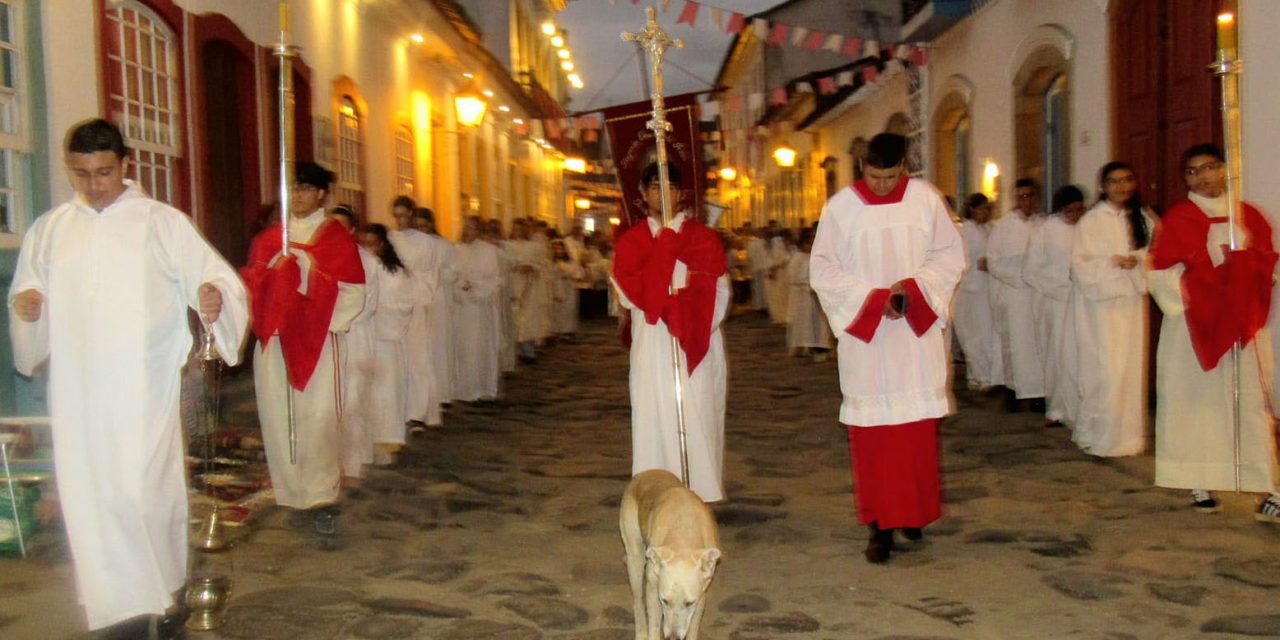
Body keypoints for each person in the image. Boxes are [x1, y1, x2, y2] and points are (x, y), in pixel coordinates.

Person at [8, 118, 249, 636]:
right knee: (89, 491)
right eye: (81, 174)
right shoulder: (51, 228)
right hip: (78, 388)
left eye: (104, 172)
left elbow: (217, 279)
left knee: (143, 490)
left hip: (144, 386)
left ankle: (161, 593)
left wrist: (212, 298)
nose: (94, 186)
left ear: (125, 164)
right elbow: (29, 294)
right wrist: (27, 309)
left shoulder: (162, 222)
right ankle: (112, 601)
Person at [809, 133, 964, 564]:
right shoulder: (841, 208)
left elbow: (951, 256)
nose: (881, 185)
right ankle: (879, 526)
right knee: (874, 437)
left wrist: (912, 292)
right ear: (862, 167)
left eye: (890, 176)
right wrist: (877, 299)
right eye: (875, 176)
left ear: (904, 169)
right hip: (869, 340)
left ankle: (912, 514)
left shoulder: (926, 199)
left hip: (914, 336)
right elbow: (822, 271)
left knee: (914, 433)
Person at [1148, 143, 1280, 521]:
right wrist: (1208, 279)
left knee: (1251, 404)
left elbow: (1268, 264)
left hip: (1241, 326)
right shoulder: (1180, 218)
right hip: (1193, 329)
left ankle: (1267, 487)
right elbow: (1161, 274)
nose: (1203, 177)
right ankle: (1198, 478)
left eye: (1209, 168)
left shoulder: (1248, 215)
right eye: (1193, 172)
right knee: (1195, 405)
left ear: (1224, 169)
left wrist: (1245, 267)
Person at [242, 162, 365, 536]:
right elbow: (251, 284)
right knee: (280, 413)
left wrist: (310, 273)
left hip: (317, 339)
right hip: (277, 339)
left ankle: (320, 493)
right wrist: (272, 276)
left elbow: (353, 290)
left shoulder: (334, 239)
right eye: (292, 189)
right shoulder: (270, 239)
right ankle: (290, 489)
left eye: (305, 190)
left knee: (318, 416)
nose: (297, 197)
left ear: (321, 195)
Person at [612, 161, 730, 503]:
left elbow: (719, 290)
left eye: (669, 187)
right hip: (654, 340)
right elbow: (630, 293)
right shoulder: (632, 242)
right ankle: (656, 492)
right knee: (654, 411)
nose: (661, 194)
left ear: (680, 193)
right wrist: (664, 249)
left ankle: (700, 492)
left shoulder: (702, 238)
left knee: (699, 409)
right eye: (653, 188)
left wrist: (686, 313)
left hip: (695, 336)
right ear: (642, 195)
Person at [1069, 161, 1154, 457]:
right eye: (1115, 181)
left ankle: (1128, 437)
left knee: (1130, 369)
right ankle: (1099, 435)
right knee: (1104, 370)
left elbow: (1154, 256)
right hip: (1100, 310)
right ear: (1103, 187)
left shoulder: (1142, 218)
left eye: (1127, 180)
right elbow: (1080, 266)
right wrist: (1111, 263)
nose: (1122, 186)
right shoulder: (1091, 221)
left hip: (1130, 302)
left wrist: (1138, 262)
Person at [1023, 186, 1086, 427]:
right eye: (1069, 210)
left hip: (1082, 300)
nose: (1074, 215)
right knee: (1058, 355)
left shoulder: (1086, 227)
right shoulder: (1046, 230)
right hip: (1055, 302)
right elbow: (1031, 270)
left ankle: (1081, 406)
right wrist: (1061, 287)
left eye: (1079, 210)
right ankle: (1058, 408)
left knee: (1079, 355)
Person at [328, 204, 377, 486]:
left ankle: (353, 465)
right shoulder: (321, 257)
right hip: (329, 339)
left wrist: (336, 320)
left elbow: (366, 305)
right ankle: (331, 462)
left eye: (340, 227)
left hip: (355, 335)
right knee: (332, 402)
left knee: (354, 401)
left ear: (352, 230)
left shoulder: (367, 261)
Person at [986, 178, 1045, 411]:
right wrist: (1018, 276)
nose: (1026, 201)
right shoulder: (1004, 226)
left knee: (1039, 342)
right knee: (1016, 343)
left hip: (1038, 293)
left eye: (1030, 196)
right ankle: (1014, 390)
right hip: (1015, 293)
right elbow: (993, 260)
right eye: (1021, 196)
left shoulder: (1043, 224)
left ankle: (1040, 392)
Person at [360, 223, 415, 463]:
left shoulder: (395, 273)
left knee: (387, 390)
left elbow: (404, 305)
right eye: (364, 244)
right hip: (364, 337)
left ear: (382, 245)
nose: (368, 250)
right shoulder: (359, 268)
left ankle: (387, 439)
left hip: (386, 340)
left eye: (372, 244)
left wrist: (378, 309)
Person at [386, 197, 441, 429]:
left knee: (417, 357)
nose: (400, 221)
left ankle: (418, 411)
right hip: (393, 305)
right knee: (396, 358)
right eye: (396, 216)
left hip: (416, 304)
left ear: (411, 214)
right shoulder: (389, 239)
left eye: (404, 215)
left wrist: (415, 287)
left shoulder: (426, 243)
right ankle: (398, 408)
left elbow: (432, 274)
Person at [952, 193, 1001, 390]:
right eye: (982, 208)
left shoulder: (990, 228)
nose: (986, 212)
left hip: (986, 287)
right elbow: (960, 260)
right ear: (973, 209)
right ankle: (982, 375)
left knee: (986, 331)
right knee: (974, 334)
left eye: (988, 208)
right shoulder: (964, 231)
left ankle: (980, 374)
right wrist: (975, 265)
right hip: (971, 289)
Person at [452, 215, 503, 402]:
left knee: (480, 347)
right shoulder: (456, 250)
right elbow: (451, 274)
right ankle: (462, 388)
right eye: (466, 227)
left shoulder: (489, 251)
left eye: (472, 228)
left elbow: (494, 279)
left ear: (479, 231)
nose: (468, 231)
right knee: (463, 347)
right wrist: (459, 286)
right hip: (462, 308)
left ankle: (481, 386)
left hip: (480, 308)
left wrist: (476, 287)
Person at [785, 227, 833, 359]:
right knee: (806, 322)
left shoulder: (817, 255)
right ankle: (809, 346)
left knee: (819, 322)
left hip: (817, 293)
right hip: (802, 295)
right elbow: (793, 276)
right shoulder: (798, 257)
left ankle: (820, 347)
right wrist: (807, 285)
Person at [746, 227, 771, 312]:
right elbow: (767, 256)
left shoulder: (751, 244)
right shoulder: (763, 243)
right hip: (763, 267)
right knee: (764, 287)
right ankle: (765, 304)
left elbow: (749, 257)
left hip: (755, 267)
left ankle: (759, 305)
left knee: (757, 287)